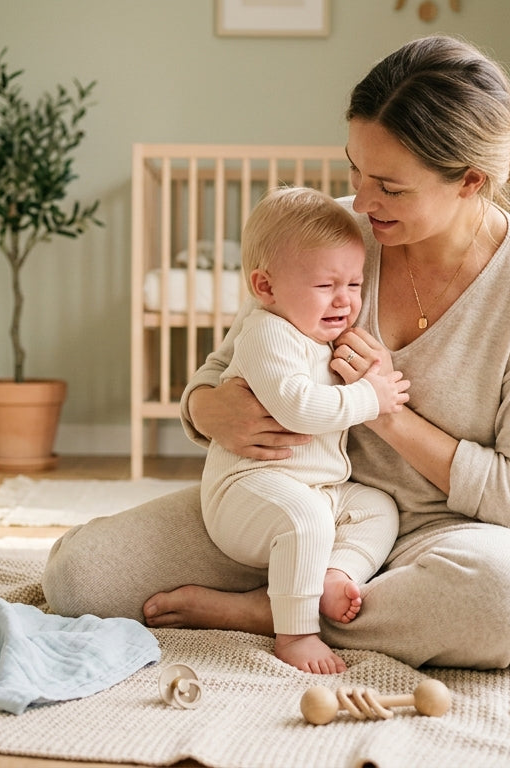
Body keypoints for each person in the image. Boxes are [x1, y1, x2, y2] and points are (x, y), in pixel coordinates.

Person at [44, 34, 510, 671]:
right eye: (354, 169)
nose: (360, 200)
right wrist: (205, 409)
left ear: (470, 182)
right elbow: (227, 364)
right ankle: (307, 596)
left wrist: (388, 415)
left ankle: (272, 611)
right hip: (286, 500)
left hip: (443, 535)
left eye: (389, 186)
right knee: (79, 579)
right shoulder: (330, 234)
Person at [201, 186, 410, 674]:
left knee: (378, 509)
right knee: (305, 522)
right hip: (246, 492)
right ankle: (295, 632)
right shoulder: (267, 333)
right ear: (266, 287)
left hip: (316, 488)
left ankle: (335, 575)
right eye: (325, 287)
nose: (344, 300)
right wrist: (369, 397)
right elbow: (298, 408)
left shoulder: (318, 333)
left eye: (355, 285)